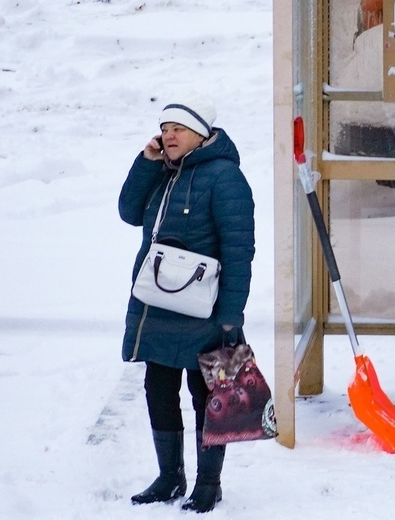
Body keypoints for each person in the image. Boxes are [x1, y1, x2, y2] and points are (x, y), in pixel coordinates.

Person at [119, 96, 255, 511]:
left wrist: (232, 314)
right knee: (158, 388)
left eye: (178, 128)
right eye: (164, 128)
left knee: (209, 395)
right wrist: (147, 162)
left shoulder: (226, 178)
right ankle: (169, 477)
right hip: (157, 305)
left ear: (201, 133)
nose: (168, 134)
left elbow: (239, 250)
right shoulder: (162, 172)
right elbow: (128, 211)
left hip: (207, 309)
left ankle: (208, 484)